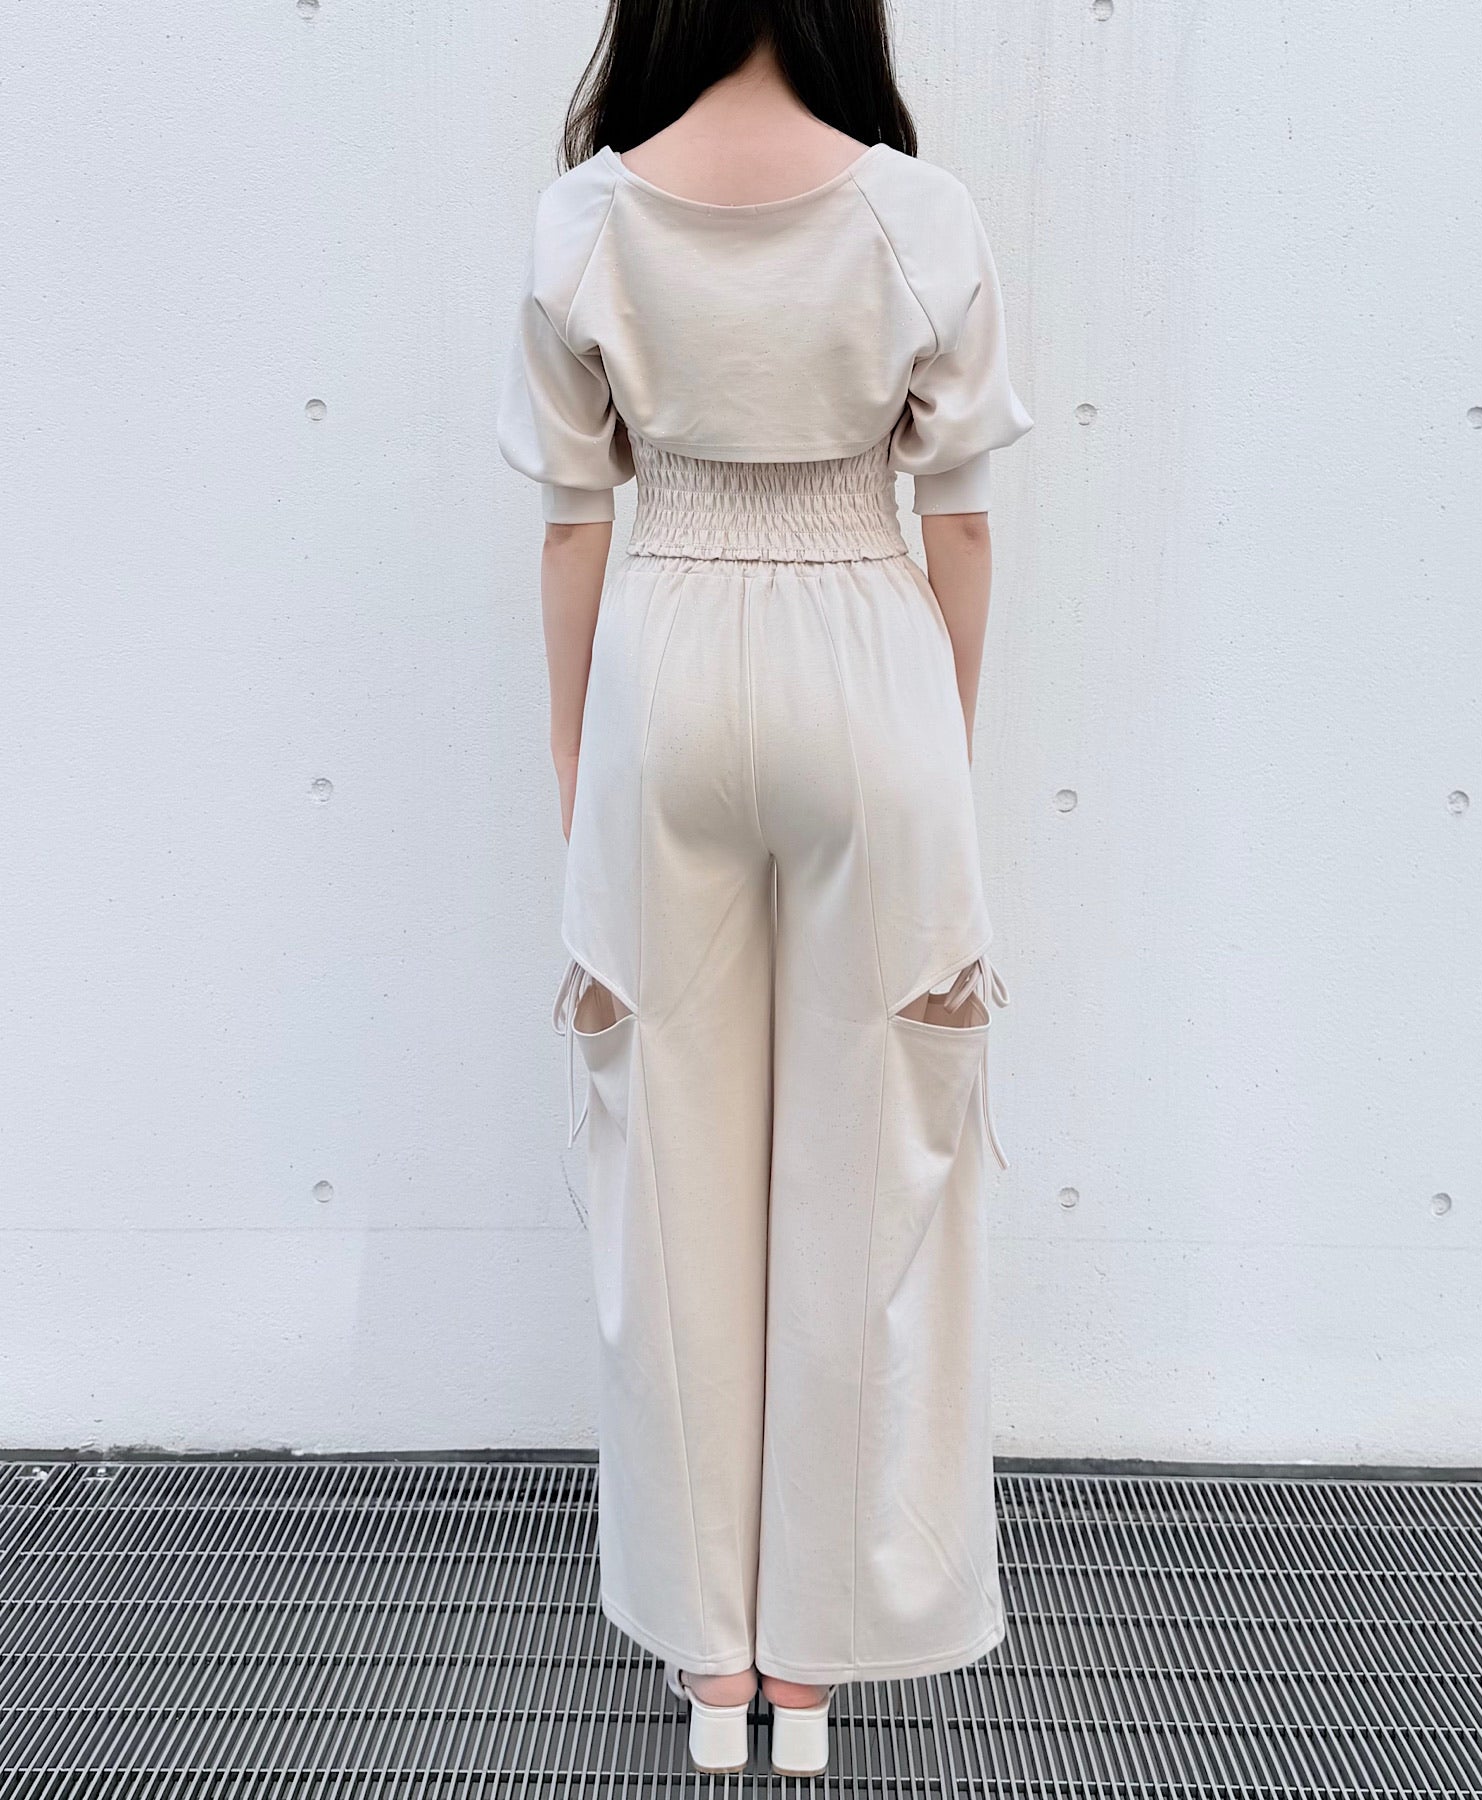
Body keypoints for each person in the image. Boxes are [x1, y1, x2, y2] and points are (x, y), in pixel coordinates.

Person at [497, 0, 1033, 1777]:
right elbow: (962, 518)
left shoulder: (591, 217)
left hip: (664, 660)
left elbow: (572, 522)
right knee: (874, 1167)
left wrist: (578, 759)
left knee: (665, 1163)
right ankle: (814, 1661)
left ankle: (707, 1660)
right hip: (868, 654)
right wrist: (937, 752)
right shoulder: (915, 213)